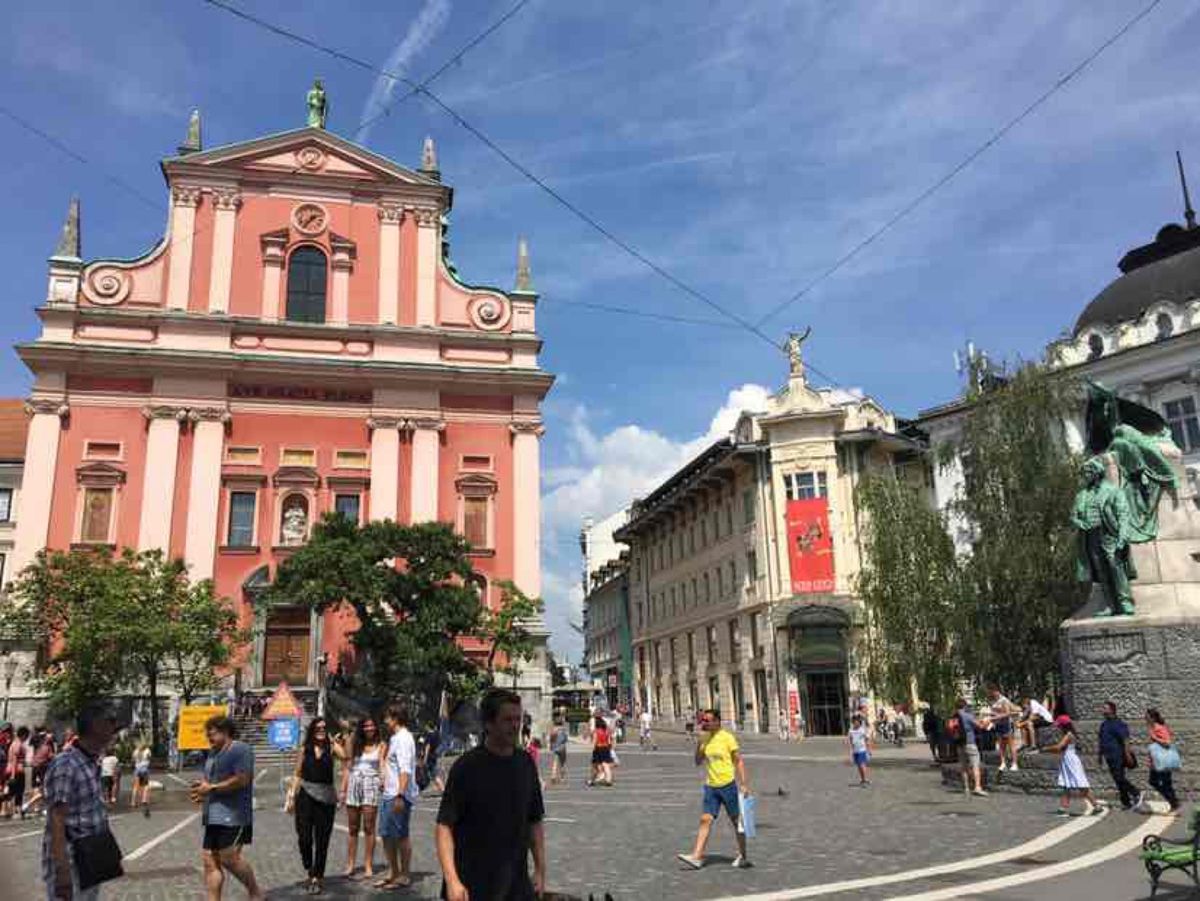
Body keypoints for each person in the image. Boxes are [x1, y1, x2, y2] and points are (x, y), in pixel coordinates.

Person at [436, 688, 546, 900]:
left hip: (516, 884)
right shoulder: (466, 767)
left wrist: (540, 870)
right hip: (472, 885)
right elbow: (444, 827)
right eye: (507, 720)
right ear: (488, 723)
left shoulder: (526, 763)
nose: (515, 725)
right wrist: (452, 881)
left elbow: (535, 821)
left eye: (518, 719)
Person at [42, 705, 120, 901]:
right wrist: (62, 871)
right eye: (110, 722)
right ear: (96, 726)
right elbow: (56, 820)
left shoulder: (89, 761)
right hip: (72, 861)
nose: (114, 729)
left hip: (90, 858)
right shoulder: (66, 764)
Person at [190, 715, 263, 901]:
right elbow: (211, 781)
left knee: (229, 857)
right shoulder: (213, 753)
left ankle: (255, 892)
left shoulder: (240, 749)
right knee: (209, 861)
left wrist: (211, 788)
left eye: (212, 734)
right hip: (213, 815)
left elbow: (242, 779)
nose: (209, 738)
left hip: (234, 815)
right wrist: (202, 790)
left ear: (225, 731)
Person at [677, 709, 751, 870]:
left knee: (736, 821)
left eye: (708, 720)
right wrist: (699, 745)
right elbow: (697, 761)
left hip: (728, 785)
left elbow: (738, 761)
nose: (705, 723)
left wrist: (744, 783)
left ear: (717, 721)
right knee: (705, 819)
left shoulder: (727, 738)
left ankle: (743, 855)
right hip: (711, 786)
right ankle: (697, 856)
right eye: (704, 720)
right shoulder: (705, 738)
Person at [286, 717, 343, 894]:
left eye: (324, 728)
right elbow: (297, 774)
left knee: (322, 840)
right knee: (304, 837)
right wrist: (291, 796)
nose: (321, 730)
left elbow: (345, 755)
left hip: (326, 798)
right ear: (312, 730)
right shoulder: (305, 749)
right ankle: (308, 865)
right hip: (305, 797)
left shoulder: (331, 747)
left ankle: (317, 876)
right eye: (318, 727)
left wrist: (333, 741)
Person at [377, 704, 418, 890]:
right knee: (386, 834)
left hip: (397, 794)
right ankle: (393, 871)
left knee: (401, 835)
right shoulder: (395, 738)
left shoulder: (403, 739)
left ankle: (405, 874)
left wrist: (400, 795)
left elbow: (405, 769)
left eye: (387, 717)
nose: (385, 721)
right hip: (389, 793)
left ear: (395, 718)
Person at [341, 717, 383, 881]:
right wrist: (343, 790)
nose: (369, 729)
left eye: (371, 725)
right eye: (365, 726)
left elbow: (382, 766)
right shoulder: (355, 743)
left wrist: (383, 781)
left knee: (369, 827)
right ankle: (350, 864)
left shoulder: (381, 744)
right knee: (352, 827)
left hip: (371, 784)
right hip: (354, 783)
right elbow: (347, 766)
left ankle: (368, 864)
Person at [1047, 715, 1105, 816]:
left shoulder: (1068, 735)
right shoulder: (1068, 734)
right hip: (1067, 760)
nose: (1058, 728)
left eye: (1059, 726)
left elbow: (1058, 747)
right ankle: (1063, 808)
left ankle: (1096, 805)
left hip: (1071, 761)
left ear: (1064, 726)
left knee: (1080, 784)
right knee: (1066, 784)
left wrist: (1045, 748)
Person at [1097, 701, 1144, 811]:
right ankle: (1126, 802)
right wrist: (1099, 755)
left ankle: (1136, 792)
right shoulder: (1104, 724)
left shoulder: (1118, 724)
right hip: (1109, 756)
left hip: (1118, 756)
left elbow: (1125, 740)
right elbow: (1101, 740)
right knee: (1117, 779)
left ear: (1112, 710)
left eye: (1105, 708)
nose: (1102, 710)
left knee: (1119, 778)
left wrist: (1127, 754)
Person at [951, 698, 988, 797]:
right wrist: (986, 722)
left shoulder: (953, 717)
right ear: (965, 706)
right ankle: (977, 787)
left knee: (964, 767)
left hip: (959, 744)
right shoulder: (968, 716)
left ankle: (966, 788)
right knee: (975, 765)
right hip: (970, 743)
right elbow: (980, 726)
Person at [1145, 707, 1181, 811]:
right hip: (1156, 761)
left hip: (1162, 761)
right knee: (1158, 782)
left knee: (1161, 782)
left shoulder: (1159, 728)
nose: (1145, 717)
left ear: (1152, 717)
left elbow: (1167, 742)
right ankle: (1173, 802)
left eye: (1147, 716)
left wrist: (1154, 737)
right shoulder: (1153, 728)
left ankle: (1174, 802)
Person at [987, 687, 1020, 772]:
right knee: (1001, 745)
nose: (992, 693)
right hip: (998, 724)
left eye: (993, 691)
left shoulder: (1003, 700)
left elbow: (1007, 713)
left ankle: (1014, 763)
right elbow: (994, 712)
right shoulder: (992, 701)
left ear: (997, 691)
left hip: (1006, 724)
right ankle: (1003, 763)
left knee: (1011, 744)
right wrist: (991, 715)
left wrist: (997, 716)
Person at [6, 725, 29, 819]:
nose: (27, 738)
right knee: (18, 792)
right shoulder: (18, 744)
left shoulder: (14, 743)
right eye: (27, 736)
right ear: (23, 735)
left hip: (13, 770)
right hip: (17, 771)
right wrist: (13, 775)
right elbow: (15, 759)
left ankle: (13, 811)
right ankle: (17, 811)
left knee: (12, 792)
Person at [847, 714, 872, 787]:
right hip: (855, 751)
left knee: (862, 765)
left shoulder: (862, 730)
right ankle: (863, 779)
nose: (855, 723)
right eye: (854, 721)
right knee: (859, 766)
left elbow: (867, 740)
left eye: (857, 721)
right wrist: (850, 751)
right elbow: (850, 740)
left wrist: (869, 750)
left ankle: (864, 780)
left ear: (859, 722)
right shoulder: (851, 730)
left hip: (862, 750)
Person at [589, 715, 614, 786]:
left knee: (594, 765)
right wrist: (610, 747)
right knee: (606, 764)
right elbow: (609, 741)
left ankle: (592, 780)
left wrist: (593, 750)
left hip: (598, 748)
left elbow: (594, 741)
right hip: (606, 748)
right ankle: (608, 780)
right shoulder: (606, 731)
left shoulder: (596, 731)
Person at [130, 742, 151, 817]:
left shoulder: (135, 751)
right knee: (146, 785)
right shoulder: (147, 750)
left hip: (137, 769)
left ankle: (133, 802)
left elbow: (132, 760)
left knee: (136, 786)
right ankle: (144, 800)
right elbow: (149, 758)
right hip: (145, 769)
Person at [549, 720, 569, 786]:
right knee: (562, 764)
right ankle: (562, 778)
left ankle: (553, 776)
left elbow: (551, 739)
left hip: (555, 748)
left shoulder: (553, 730)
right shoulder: (563, 730)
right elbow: (566, 739)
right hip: (562, 748)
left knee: (555, 763)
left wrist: (551, 746)